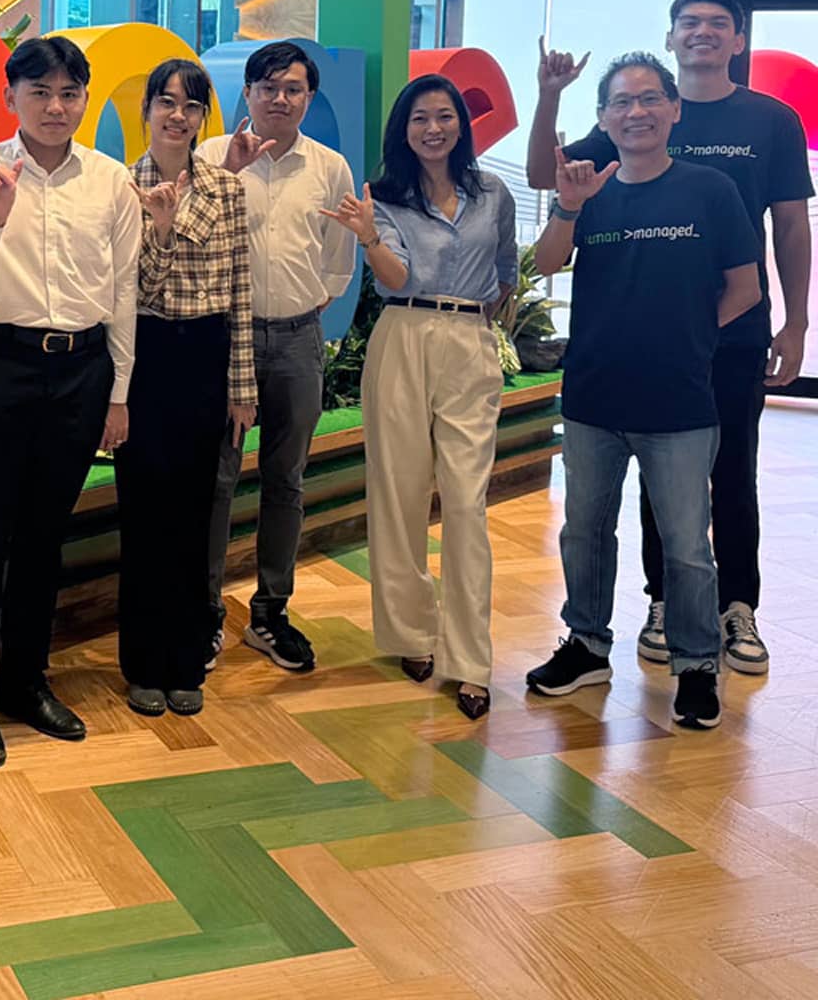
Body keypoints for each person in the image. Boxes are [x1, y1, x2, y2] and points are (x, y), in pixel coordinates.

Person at [527, 0, 813, 674]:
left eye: (719, 23)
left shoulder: (770, 121)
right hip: (637, 348)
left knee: (730, 472)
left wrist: (796, 321)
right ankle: (663, 603)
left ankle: (735, 610)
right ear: (671, 35)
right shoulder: (628, 116)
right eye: (690, 22)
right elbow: (547, 178)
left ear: (738, 40)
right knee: (663, 478)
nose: (703, 32)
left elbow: (791, 226)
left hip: (733, 331)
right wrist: (549, 98)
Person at [526, 52, 762, 729]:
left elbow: (743, 289)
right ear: (603, 117)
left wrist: (689, 335)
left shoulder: (711, 189)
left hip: (681, 402)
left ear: (674, 109)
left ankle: (695, 664)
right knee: (585, 532)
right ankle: (587, 645)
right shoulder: (588, 190)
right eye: (622, 103)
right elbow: (544, 263)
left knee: (688, 544)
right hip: (595, 396)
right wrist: (569, 209)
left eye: (650, 99)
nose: (637, 112)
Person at [0, 36, 139, 767]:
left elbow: (122, 291)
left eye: (68, 94)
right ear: (11, 98)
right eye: (40, 93)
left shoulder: (110, 179)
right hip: (0, 360)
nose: (55, 107)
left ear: (84, 100)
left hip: (84, 369)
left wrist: (119, 392)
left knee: (43, 536)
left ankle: (27, 681)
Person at [324, 74, 516, 720]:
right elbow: (395, 277)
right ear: (403, 131)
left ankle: (470, 660)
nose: (433, 128)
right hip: (403, 334)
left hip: (469, 339)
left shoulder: (495, 194)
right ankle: (411, 633)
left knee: (466, 503)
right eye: (419, 119)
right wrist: (370, 237)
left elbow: (505, 275)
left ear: (461, 124)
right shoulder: (387, 198)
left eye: (444, 116)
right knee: (399, 493)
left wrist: (477, 332)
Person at [198, 41, 357, 675]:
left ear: (309, 98)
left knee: (285, 480)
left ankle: (271, 610)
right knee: (215, 480)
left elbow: (337, 262)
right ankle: (205, 611)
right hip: (221, 341)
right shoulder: (214, 158)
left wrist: (306, 305)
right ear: (247, 93)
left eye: (293, 88)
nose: (279, 98)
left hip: (295, 339)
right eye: (267, 86)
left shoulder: (330, 168)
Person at [115, 58, 253, 717]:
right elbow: (130, 293)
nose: (178, 115)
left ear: (203, 118)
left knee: (197, 517)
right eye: (165, 101)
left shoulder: (228, 189)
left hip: (206, 353)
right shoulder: (118, 187)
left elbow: (240, 294)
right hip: (143, 356)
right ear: (145, 110)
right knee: (143, 515)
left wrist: (242, 386)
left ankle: (186, 660)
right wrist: (162, 231)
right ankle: (143, 662)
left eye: (191, 105)